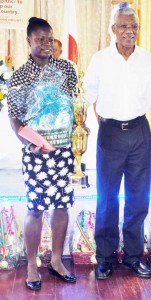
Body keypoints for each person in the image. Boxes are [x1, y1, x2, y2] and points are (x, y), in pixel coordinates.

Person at [83, 6, 151, 279]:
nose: (130, 31)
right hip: (111, 133)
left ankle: (133, 257)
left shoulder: (147, 60)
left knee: (138, 198)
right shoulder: (100, 59)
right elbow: (87, 93)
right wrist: (96, 117)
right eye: (124, 26)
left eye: (134, 26)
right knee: (107, 199)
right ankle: (104, 257)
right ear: (113, 29)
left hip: (140, 131)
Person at [7, 17, 77, 290]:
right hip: (35, 154)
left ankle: (57, 260)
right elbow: (14, 119)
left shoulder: (66, 70)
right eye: (40, 40)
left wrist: (78, 133)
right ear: (29, 41)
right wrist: (30, 144)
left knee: (62, 205)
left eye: (49, 39)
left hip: (63, 150)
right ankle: (31, 264)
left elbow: (75, 107)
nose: (46, 44)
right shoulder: (20, 75)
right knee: (35, 209)